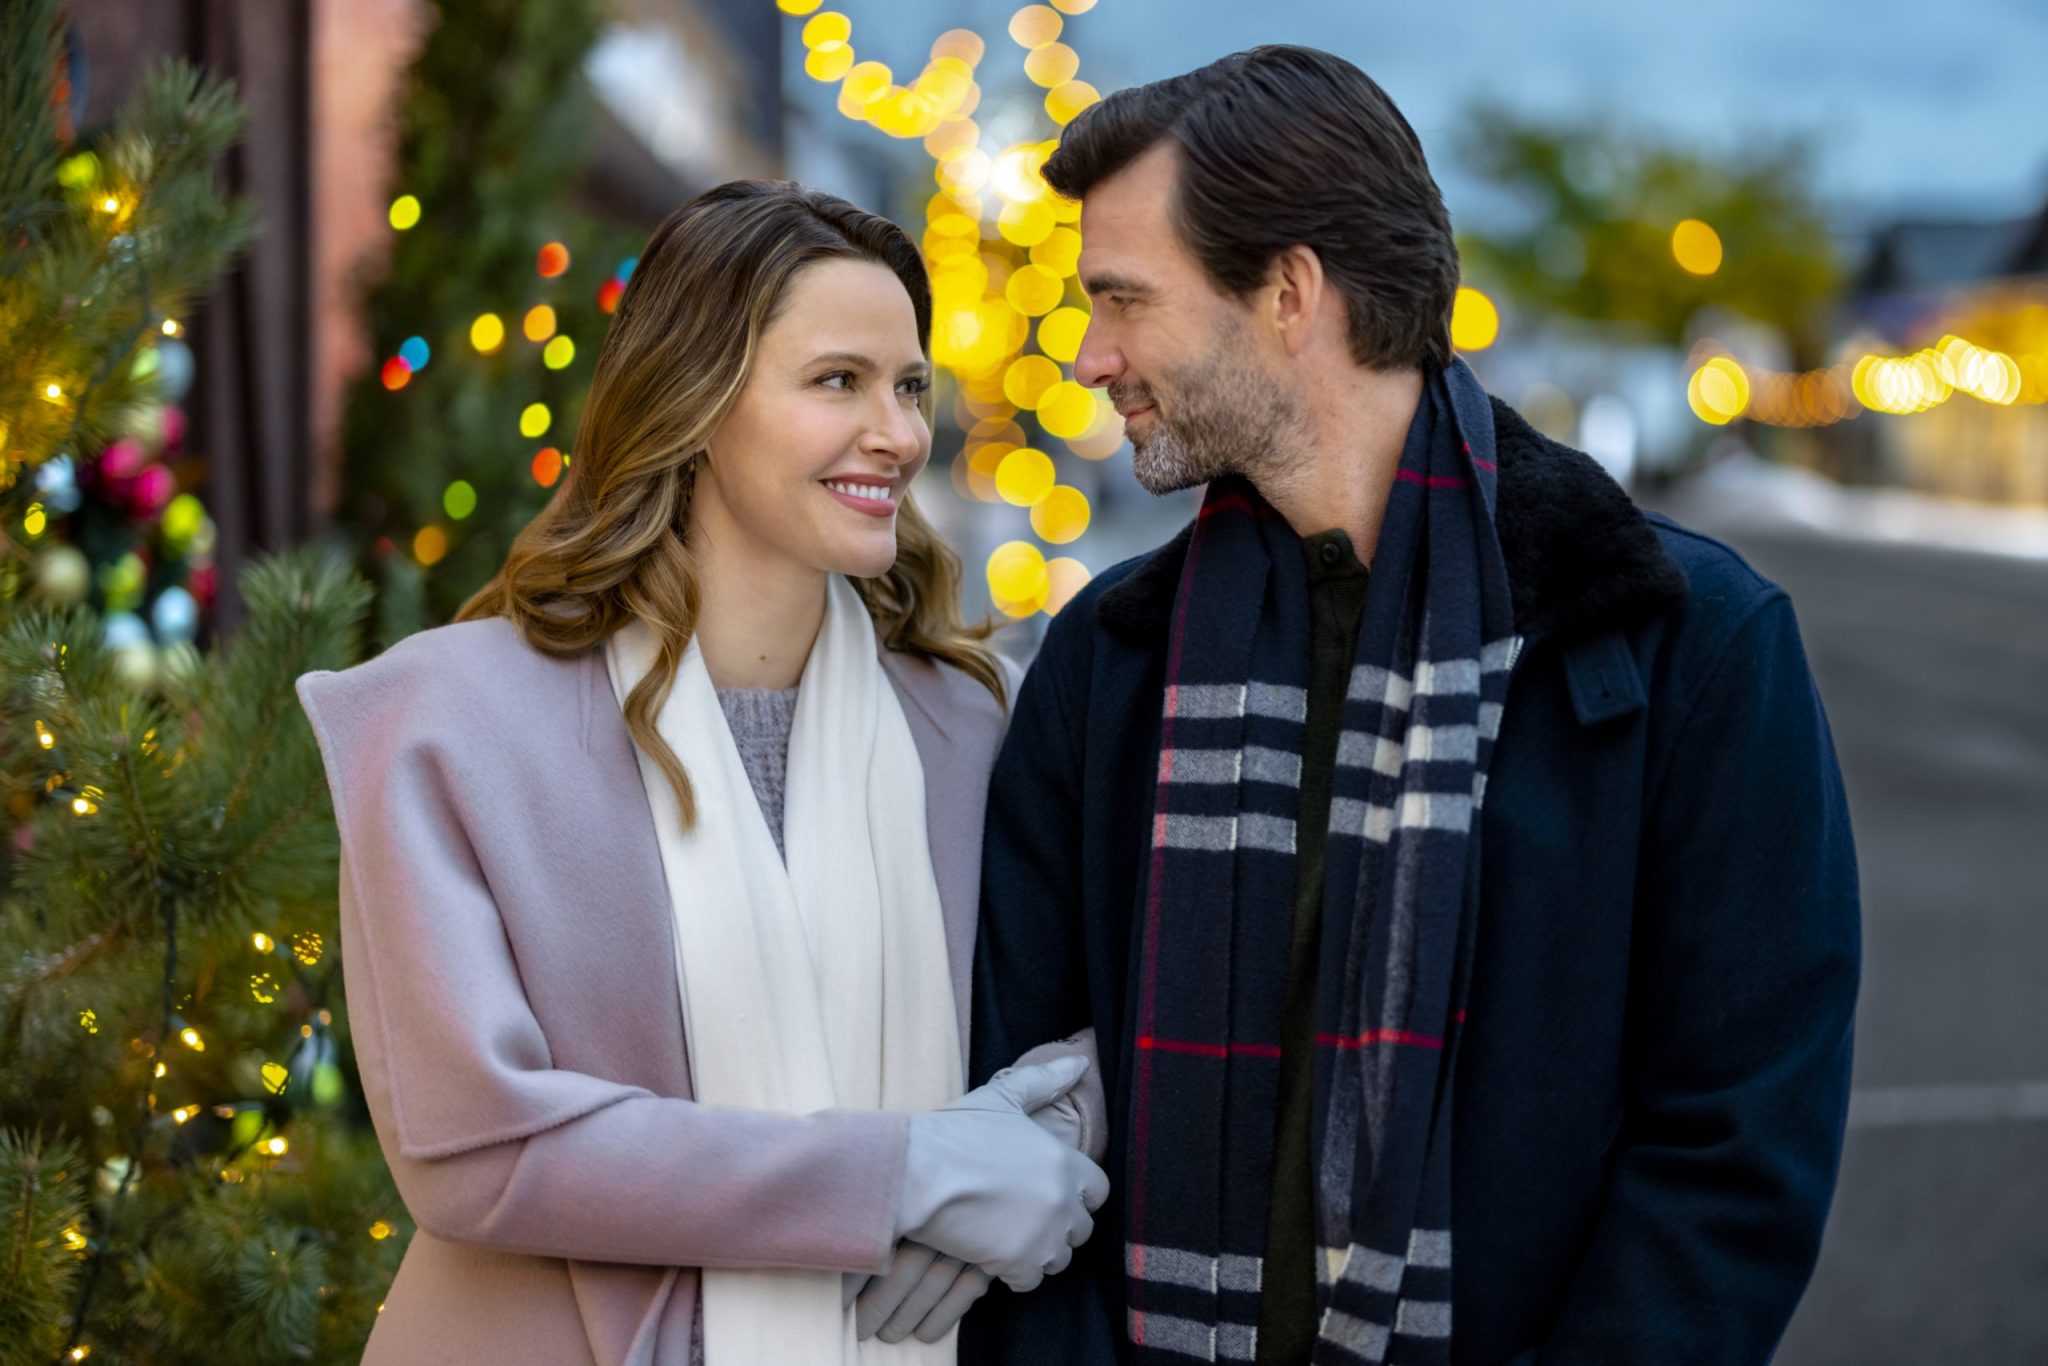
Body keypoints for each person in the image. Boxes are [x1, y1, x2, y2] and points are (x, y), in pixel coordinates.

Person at [965, 47, 1861, 1366]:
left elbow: (1735, 1150)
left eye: (1122, 300)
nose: (1089, 356)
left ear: (1287, 291)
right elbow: (1013, 1115)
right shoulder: (1106, 661)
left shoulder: (1686, 645)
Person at [297, 180, 1108, 1366]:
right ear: (697, 398)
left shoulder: (965, 727)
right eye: (838, 380)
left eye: (909, 385)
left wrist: (1045, 1139)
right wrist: (901, 1178)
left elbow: (1086, 1020)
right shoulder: (452, 723)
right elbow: (476, 1149)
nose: (896, 430)